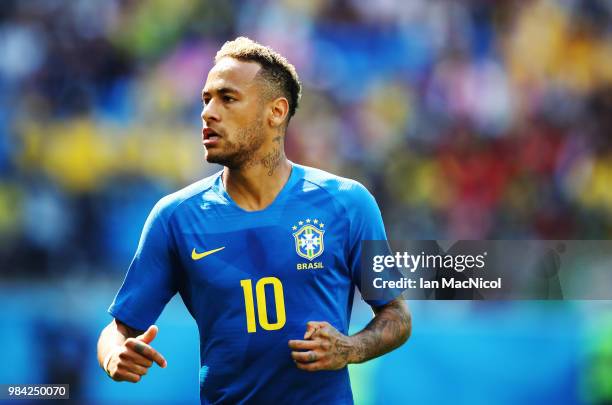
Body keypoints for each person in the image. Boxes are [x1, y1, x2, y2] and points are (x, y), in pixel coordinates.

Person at [97, 36, 411, 404]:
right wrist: (113, 356)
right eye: (206, 99)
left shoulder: (349, 203)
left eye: (227, 99)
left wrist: (350, 349)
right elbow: (118, 331)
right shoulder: (174, 218)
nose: (208, 112)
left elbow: (397, 316)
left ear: (276, 112)